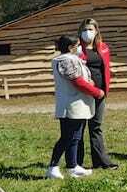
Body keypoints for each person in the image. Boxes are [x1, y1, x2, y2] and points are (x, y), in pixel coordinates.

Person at [47, 35, 104, 179]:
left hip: (79, 104)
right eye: (77, 45)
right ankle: (53, 167)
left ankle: (73, 166)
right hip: (71, 105)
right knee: (67, 137)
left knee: (75, 137)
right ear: (70, 47)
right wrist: (97, 92)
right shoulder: (65, 60)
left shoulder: (73, 59)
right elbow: (77, 81)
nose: (80, 47)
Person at [75, 17, 117, 169]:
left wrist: (105, 89)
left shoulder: (103, 47)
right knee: (79, 126)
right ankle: (76, 162)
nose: (88, 32)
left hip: (100, 93)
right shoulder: (77, 49)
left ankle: (100, 161)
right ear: (80, 31)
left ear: (96, 31)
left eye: (91, 29)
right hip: (82, 93)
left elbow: (105, 68)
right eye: (85, 29)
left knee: (96, 127)